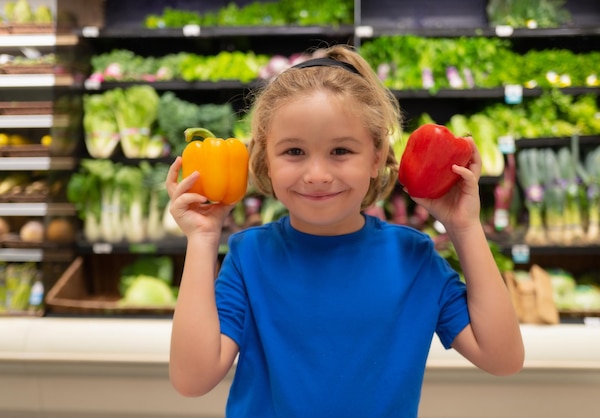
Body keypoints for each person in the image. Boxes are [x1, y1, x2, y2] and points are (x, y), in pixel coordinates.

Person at [165, 44, 524, 417]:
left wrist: (464, 226)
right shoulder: (249, 255)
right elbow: (192, 381)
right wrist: (202, 238)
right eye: (294, 152)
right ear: (265, 161)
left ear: (376, 156)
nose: (317, 175)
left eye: (340, 151)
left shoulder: (413, 257)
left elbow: (503, 358)